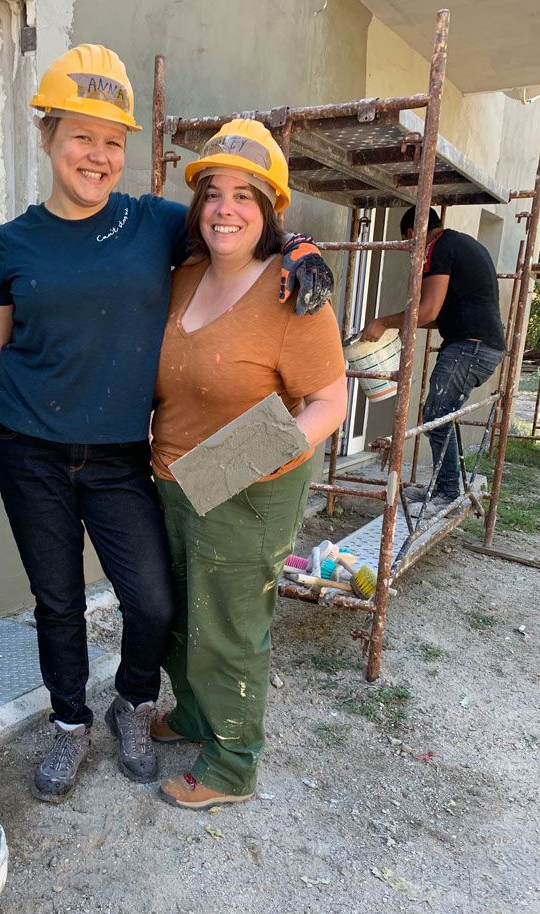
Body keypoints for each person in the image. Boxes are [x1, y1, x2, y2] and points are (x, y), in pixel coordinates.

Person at [0, 46, 334, 803]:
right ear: (48, 137)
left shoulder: (153, 224)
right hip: (27, 449)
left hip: (119, 457)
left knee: (151, 599)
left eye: (113, 141)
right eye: (82, 136)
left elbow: (238, 224)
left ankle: (134, 704)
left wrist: (303, 245)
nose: (99, 155)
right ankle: (71, 724)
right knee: (58, 602)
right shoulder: (9, 245)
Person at [149, 119, 348, 809]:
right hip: (172, 474)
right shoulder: (185, 276)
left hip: (248, 481)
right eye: (213, 193)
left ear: (268, 210)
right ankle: (199, 715)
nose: (225, 208)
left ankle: (233, 762)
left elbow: (329, 400)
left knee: (230, 624)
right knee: (178, 612)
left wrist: (246, 462)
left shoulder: (294, 292)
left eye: (245, 195)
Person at [363, 207, 505, 512]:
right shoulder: (459, 243)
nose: (413, 253)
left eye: (408, 245)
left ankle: (447, 492)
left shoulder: (437, 247)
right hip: (479, 346)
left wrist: (383, 321)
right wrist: (398, 324)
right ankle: (444, 487)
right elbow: (435, 317)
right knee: (442, 414)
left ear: (413, 234)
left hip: (471, 347)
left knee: (436, 416)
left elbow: (426, 311)